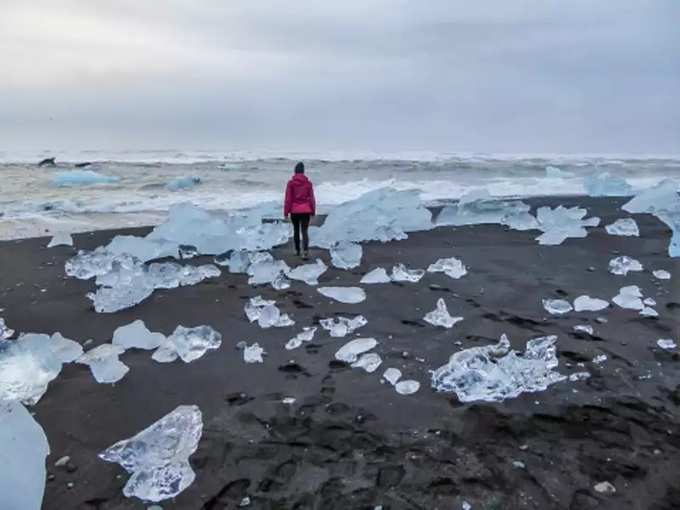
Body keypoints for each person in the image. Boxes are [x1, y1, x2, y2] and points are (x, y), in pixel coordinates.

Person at [284, 161, 315, 258]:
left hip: (295, 211)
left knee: (296, 230)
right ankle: (305, 252)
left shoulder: (291, 183)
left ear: (295, 171)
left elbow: (288, 199)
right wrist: (313, 211)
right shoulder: (308, 183)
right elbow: (312, 198)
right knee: (304, 231)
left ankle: (297, 250)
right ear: (303, 171)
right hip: (306, 210)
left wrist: (286, 212)